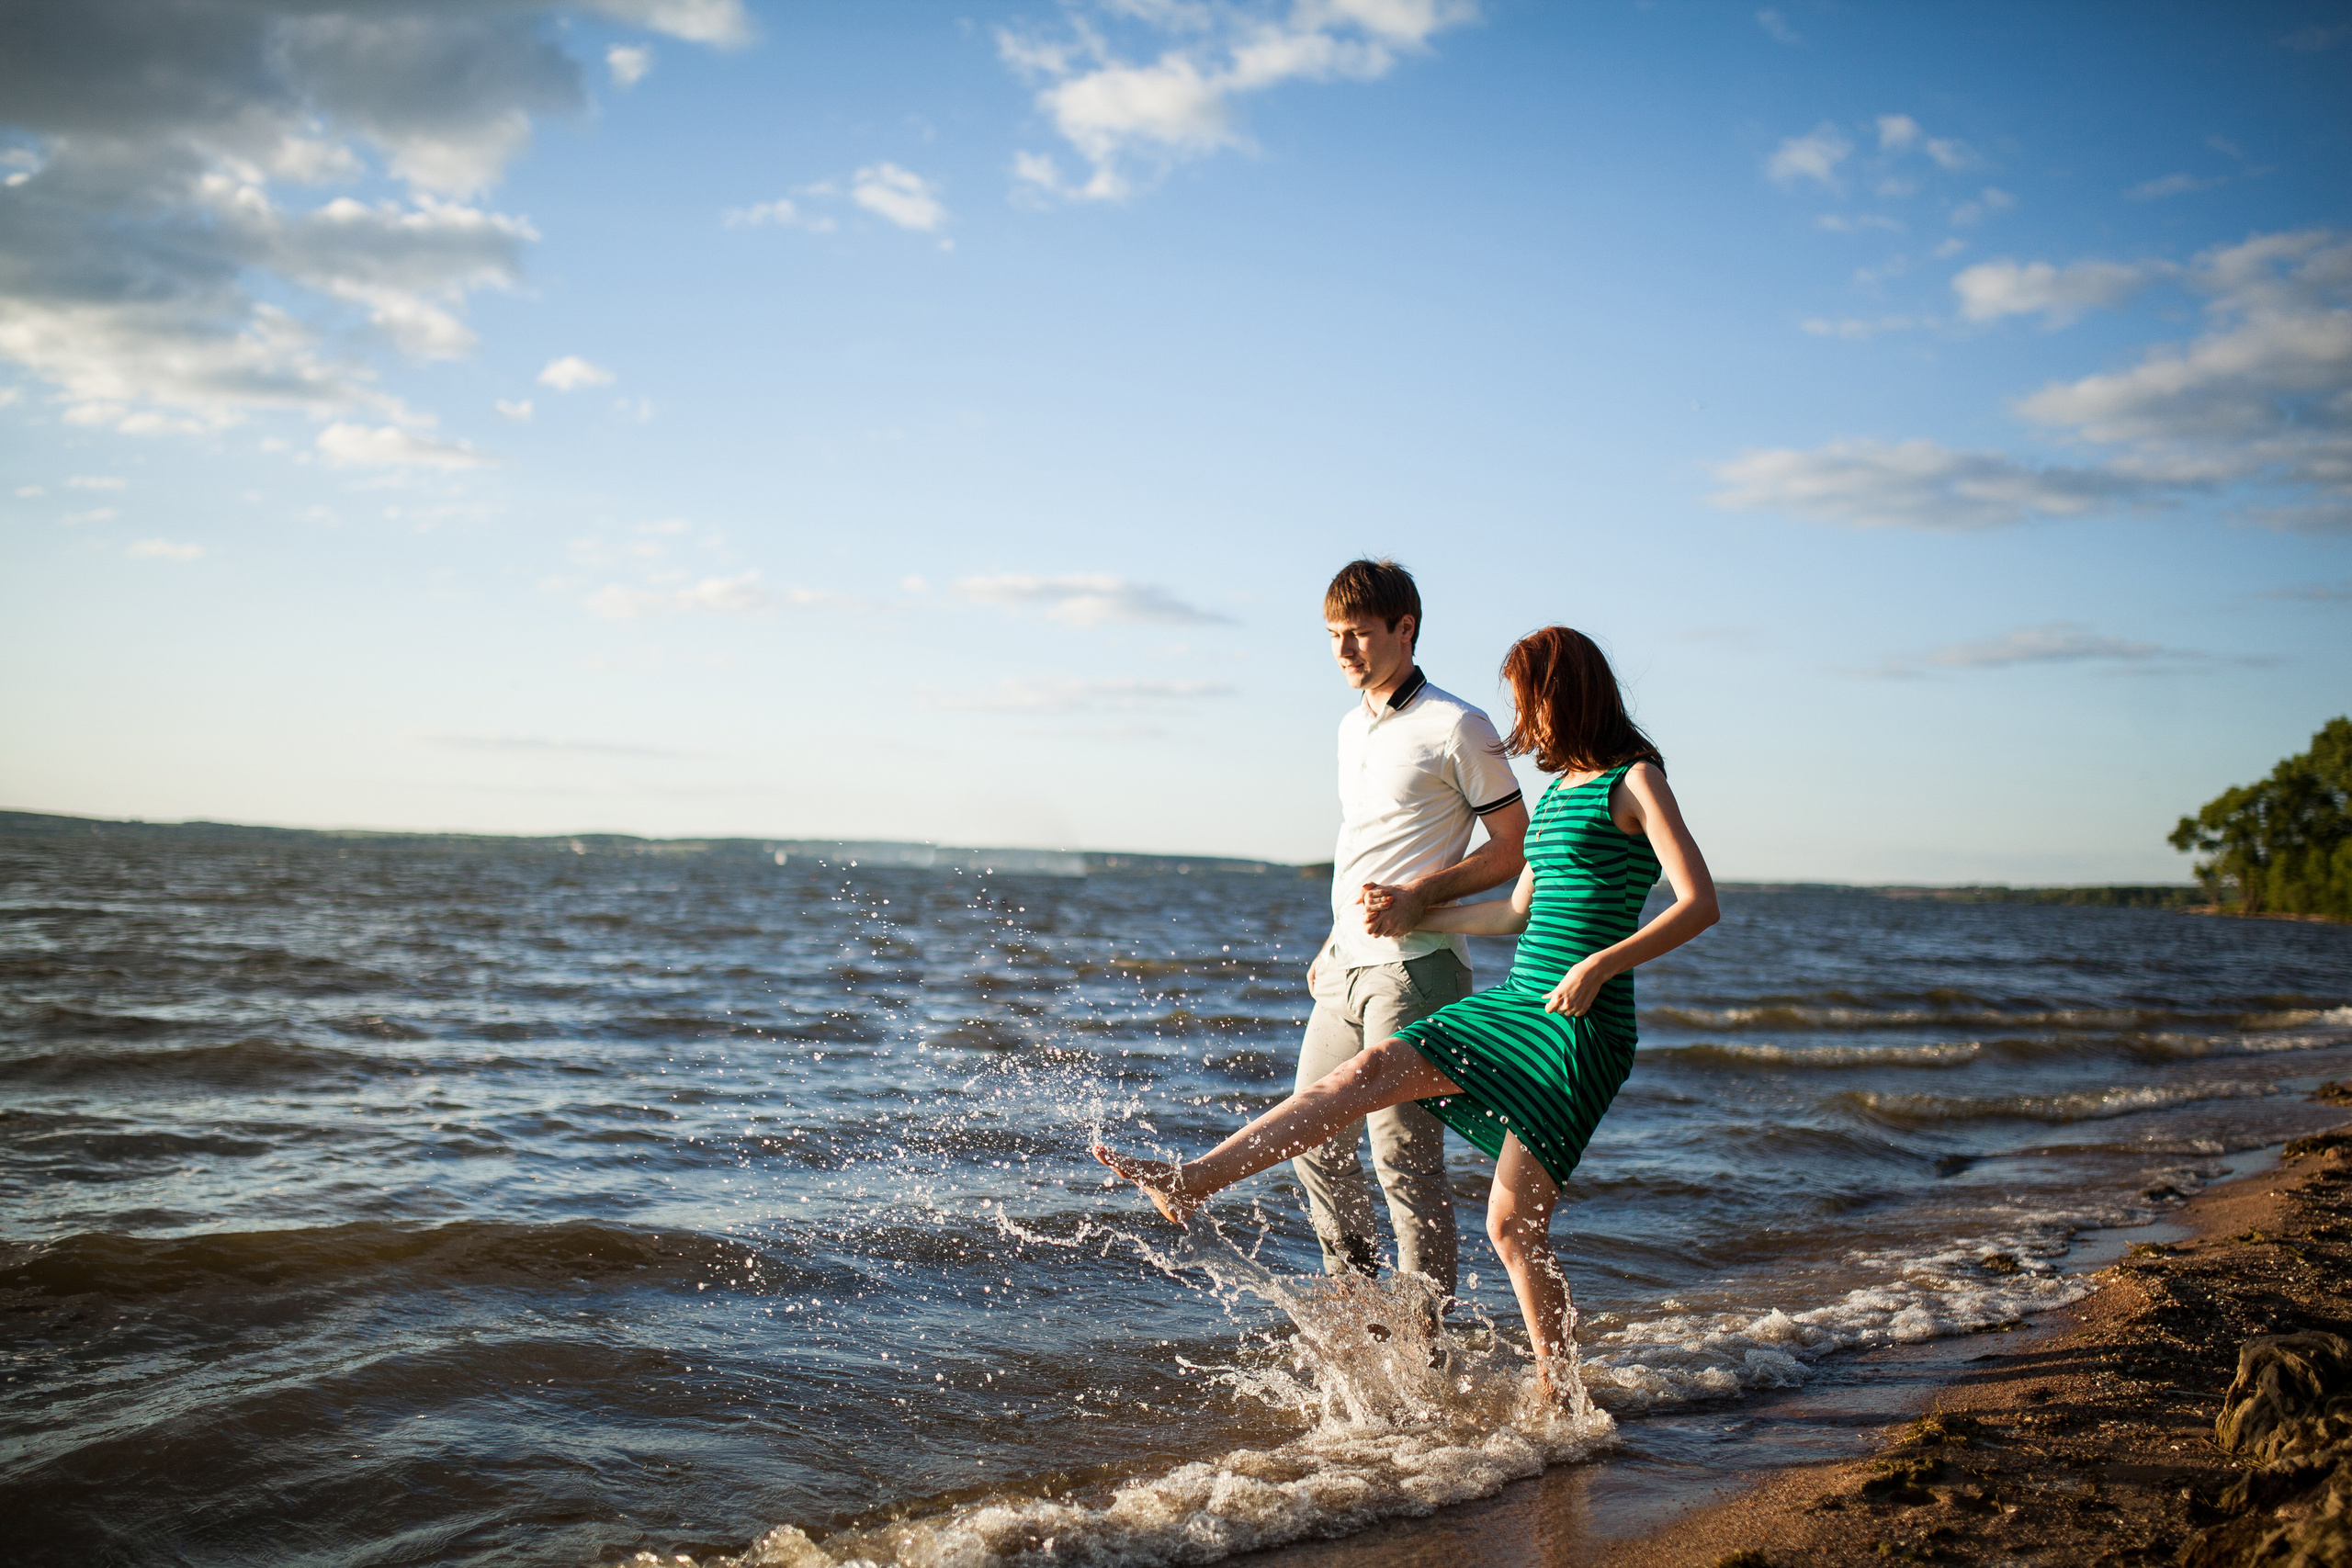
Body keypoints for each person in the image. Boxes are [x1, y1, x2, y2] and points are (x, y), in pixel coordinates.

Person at [1096, 626, 1717, 1404]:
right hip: (1519, 1003)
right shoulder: (1558, 791)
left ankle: (1561, 1396)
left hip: (1581, 1024)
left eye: (1532, 701)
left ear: (1570, 693)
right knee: (1364, 1074)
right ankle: (1193, 1179)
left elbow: (1700, 902)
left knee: (1512, 1230)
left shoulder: (1636, 781)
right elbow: (1516, 914)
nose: (1527, 722)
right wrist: (1408, 915)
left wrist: (1602, 962)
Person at [1296, 558, 1530, 1299]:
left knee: (1403, 1161)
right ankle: (1359, 1307)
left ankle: (1420, 1343)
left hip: (1416, 967)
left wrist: (1421, 894)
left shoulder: (1459, 724)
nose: (1343, 651)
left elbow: (1514, 846)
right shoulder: (1348, 726)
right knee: (1311, 1139)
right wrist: (1334, 941)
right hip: (1345, 969)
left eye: (1359, 634)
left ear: (1406, 628)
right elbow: (1367, 841)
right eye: (1334, 635)